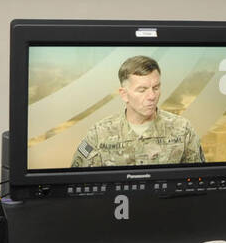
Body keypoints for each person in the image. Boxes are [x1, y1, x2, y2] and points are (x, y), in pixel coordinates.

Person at [71, 56, 206, 167]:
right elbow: (78, 182)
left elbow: (199, 181)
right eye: (142, 90)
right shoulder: (98, 134)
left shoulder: (183, 130)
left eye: (156, 88)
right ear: (124, 94)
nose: (152, 96)